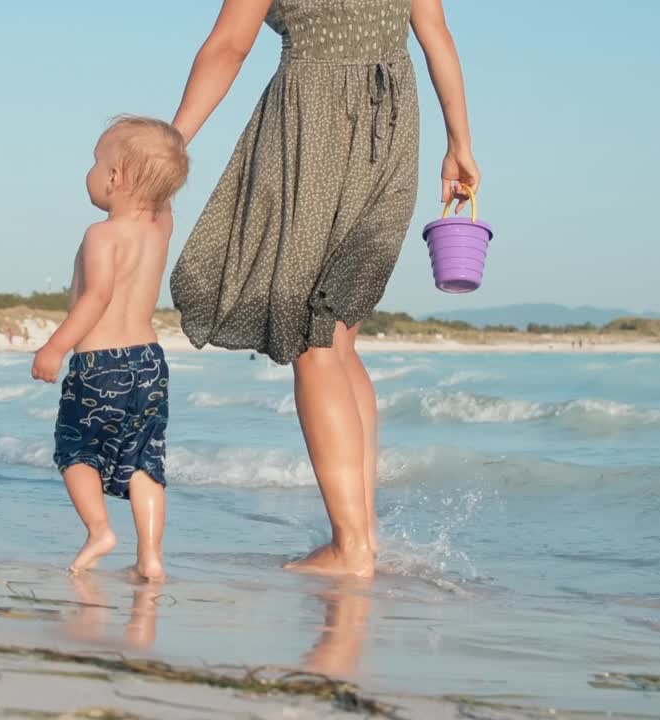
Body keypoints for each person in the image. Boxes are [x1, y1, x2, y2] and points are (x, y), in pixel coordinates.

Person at [168, 0, 480, 577]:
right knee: (338, 339)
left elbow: (229, 46)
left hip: (314, 129)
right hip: (392, 128)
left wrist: (174, 138)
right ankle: (364, 533)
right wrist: (460, 145)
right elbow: (436, 35)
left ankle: (351, 548)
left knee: (312, 341)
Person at [31, 116, 189, 581]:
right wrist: (165, 162)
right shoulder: (160, 229)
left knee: (76, 450)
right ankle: (152, 557)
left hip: (99, 365)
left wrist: (55, 348)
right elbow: (162, 196)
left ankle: (100, 530)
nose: (92, 171)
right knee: (143, 457)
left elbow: (96, 297)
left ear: (116, 178)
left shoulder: (101, 235)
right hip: (149, 363)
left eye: (96, 162)